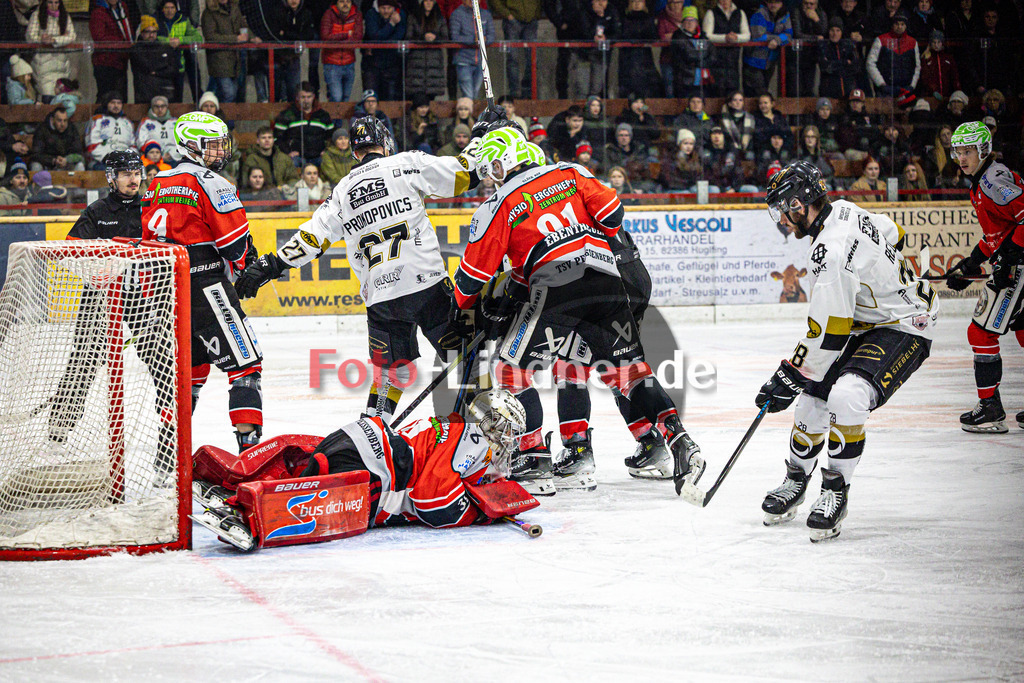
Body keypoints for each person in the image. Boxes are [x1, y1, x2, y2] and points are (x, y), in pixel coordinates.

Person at [449, 125, 705, 495]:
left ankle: (534, 460)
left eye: (492, 170)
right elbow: (613, 215)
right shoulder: (571, 171)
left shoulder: (499, 203)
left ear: (503, 165)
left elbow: (472, 278)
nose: (491, 179)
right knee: (628, 374)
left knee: (509, 372)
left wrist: (464, 312)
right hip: (609, 280)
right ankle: (679, 442)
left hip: (555, 291)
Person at [234, 113, 487, 423]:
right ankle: (491, 428)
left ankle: (372, 433)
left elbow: (312, 239)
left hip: (382, 298)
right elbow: (466, 174)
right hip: (427, 287)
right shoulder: (406, 163)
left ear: (355, 151)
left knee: (389, 376)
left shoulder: (342, 190)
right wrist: (483, 136)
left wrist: (270, 265)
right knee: (466, 356)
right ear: (385, 142)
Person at [757, 160, 937, 541]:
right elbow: (896, 233)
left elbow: (830, 330)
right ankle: (796, 480)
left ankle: (835, 492)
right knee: (811, 403)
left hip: (905, 323)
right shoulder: (843, 208)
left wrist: (789, 374)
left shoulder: (829, 252)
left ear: (800, 203)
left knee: (846, 396)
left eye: (784, 209)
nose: (782, 220)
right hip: (870, 320)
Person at [190, 389, 531, 550]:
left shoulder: (450, 424)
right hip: (372, 467)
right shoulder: (475, 439)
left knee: (303, 465)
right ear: (494, 426)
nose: (509, 442)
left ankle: (226, 477)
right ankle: (242, 513)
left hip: (361, 440)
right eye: (509, 432)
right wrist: (480, 512)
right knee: (307, 508)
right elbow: (435, 503)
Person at [49, 150, 179, 482]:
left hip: (142, 297)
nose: (133, 179)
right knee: (83, 360)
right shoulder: (97, 211)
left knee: (163, 363)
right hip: (100, 298)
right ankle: (59, 429)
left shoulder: (151, 208)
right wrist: (97, 269)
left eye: (136, 172)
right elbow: (69, 251)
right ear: (111, 178)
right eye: (125, 173)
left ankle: (167, 444)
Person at [141, 112, 264, 453]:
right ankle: (250, 454)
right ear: (191, 146)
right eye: (211, 145)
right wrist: (245, 268)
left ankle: (167, 460)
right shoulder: (213, 182)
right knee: (245, 365)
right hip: (206, 284)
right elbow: (235, 246)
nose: (219, 151)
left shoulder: (157, 182)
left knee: (190, 372)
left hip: (166, 288)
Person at [944, 122, 1024, 433]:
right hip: (1017, 264)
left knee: (980, 334)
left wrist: (1008, 258)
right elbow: (998, 234)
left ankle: (990, 408)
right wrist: (971, 263)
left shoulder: (992, 180)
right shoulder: (983, 181)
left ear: (983, 150)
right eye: (958, 152)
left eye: (968, 151)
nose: (962, 158)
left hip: (1019, 269)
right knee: (1022, 331)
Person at [202, 0, 256, 104]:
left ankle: (225, 118)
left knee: (233, 94)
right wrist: (235, 39)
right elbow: (210, 36)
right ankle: (222, 118)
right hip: (219, 59)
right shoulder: (209, 13)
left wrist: (252, 37)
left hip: (236, 58)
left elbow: (243, 26)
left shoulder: (235, 8)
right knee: (229, 93)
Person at [25, 0, 76, 102]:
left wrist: (53, 40)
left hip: (62, 63)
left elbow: (72, 36)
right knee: (47, 95)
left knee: (62, 98)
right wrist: (42, 40)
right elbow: (30, 36)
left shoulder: (65, 16)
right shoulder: (36, 15)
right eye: (50, 2)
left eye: (56, 2)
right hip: (43, 63)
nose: (53, 5)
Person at [273, 82, 333, 166]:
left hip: (319, 156)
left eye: (309, 97)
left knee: (330, 163)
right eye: (303, 97)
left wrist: (326, 151)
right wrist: (288, 152)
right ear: (297, 97)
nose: (306, 100)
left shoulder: (323, 115)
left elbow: (331, 137)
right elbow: (277, 138)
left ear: (314, 97)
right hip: (297, 157)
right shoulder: (287, 115)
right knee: (289, 163)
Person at [490, 0, 541, 99]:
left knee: (533, 58)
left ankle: (528, 91)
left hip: (531, 21)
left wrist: (536, 14)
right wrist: (508, 15)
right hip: (511, 21)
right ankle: (514, 92)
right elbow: (495, 2)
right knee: (513, 58)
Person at [155, 0, 203, 104]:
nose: (169, 11)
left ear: (176, 9)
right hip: (160, 67)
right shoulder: (156, 20)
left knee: (177, 99)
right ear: (162, 9)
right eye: (167, 8)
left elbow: (198, 38)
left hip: (178, 66)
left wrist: (180, 40)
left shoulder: (184, 20)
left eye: (172, 8)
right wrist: (168, 41)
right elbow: (151, 38)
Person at [866, 11, 920, 98]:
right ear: (892, 25)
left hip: (906, 89)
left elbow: (917, 66)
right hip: (885, 90)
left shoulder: (913, 42)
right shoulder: (880, 40)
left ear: (906, 26)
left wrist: (912, 86)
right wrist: (881, 84)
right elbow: (870, 63)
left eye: (902, 24)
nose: (899, 27)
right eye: (897, 24)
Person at [743, 0, 791, 97]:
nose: (773, 5)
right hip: (753, 61)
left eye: (776, 2)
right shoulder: (759, 14)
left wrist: (777, 40)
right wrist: (777, 38)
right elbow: (758, 36)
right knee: (759, 93)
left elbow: (789, 35)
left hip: (770, 62)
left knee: (763, 92)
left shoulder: (785, 15)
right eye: (770, 2)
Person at [362, 0, 406, 101]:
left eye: (389, 8)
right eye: (383, 8)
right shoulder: (371, 14)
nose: (386, 11)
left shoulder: (400, 14)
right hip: (372, 64)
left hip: (392, 64)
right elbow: (374, 36)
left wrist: (381, 41)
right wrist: (391, 24)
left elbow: (399, 36)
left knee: (390, 99)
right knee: (371, 99)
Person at [89, 0, 135, 99]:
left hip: (121, 59)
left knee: (121, 96)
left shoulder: (122, 9)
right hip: (105, 61)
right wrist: (120, 42)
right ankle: (101, 115)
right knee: (106, 96)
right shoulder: (98, 12)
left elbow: (127, 29)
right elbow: (99, 37)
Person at [320, 0, 363, 103]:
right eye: (342, 1)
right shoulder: (329, 14)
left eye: (348, 1)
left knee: (345, 99)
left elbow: (357, 37)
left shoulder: (356, 14)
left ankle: (336, 120)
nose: (345, 4)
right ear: (336, 3)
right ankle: (333, 119)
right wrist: (346, 34)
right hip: (332, 63)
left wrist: (337, 38)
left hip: (349, 62)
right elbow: (325, 37)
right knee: (336, 98)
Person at [404, 0, 447, 102]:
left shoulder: (440, 18)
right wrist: (423, 38)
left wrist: (435, 38)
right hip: (416, 62)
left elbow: (446, 37)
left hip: (434, 62)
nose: (428, 3)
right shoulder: (413, 17)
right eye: (426, 0)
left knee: (431, 97)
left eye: (431, 1)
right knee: (417, 96)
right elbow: (408, 37)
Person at [703, 0, 748, 97]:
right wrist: (725, 38)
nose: (724, 1)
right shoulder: (711, 13)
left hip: (734, 60)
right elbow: (706, 35)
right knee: (716, 91)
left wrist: (736, 38)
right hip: (715, 59)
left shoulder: (740, 13)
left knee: (733, 91)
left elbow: (747, 35)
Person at [449, 0, 493, 98]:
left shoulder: (486, 14)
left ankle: (472, 113)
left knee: (476, 92)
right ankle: (469, 113)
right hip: (463, 60)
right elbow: (455, 37)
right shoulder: (457, 14)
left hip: (481, 61)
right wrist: (474, 40)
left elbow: (492, 36)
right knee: (468, 94)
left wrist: (485, 39)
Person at [130, 16, 178, 105]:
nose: (151, 35)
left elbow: (173, 70)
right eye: (148, 32)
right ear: (142, 33)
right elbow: (148, 66)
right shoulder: (136, 49)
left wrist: (156, 72)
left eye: (154, 32)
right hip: (144, 95)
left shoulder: (165, 48)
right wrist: (162, 65)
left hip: (165, 93)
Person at [619, 0, 661, 98]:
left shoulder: (648, 19)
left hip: (644, 57)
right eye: (634, 1)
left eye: (639, 1)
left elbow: (654, 37)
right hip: (627, 57)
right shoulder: (624, 19)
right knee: (628, 84)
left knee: (644, 85)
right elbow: (622, 35)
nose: (637, 4)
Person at [577, 0, 620, 97]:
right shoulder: (584, 10)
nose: (600, 3)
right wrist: (598, 17)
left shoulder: (611, 10)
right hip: (583, 54)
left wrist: (607, 38)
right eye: (598, 0)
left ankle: (593, 109)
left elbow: (617, 32)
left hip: (601, 55)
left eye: (603, 1)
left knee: (596, 87)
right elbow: (583, 31)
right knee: (582, 88)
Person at [669, 6, 713, 99]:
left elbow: (712, 54)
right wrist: (700, 59)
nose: (690, 23)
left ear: (697, 22)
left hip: (702, 81)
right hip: (685, 81)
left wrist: (705, 62)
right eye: (687, 20)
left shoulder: (702, 36)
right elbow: (687, 55)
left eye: (692, 20)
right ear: (682, 23)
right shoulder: (678, 36)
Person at [85, 92, 136, 170]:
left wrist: (128, 158)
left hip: (124, 161)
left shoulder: (127, 123)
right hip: (102, 161)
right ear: (107, 104)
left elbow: (133, 145)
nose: (116, 106)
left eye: (119, 103)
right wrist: (106, 158)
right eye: (112, 103)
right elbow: (91, 144)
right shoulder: (97, 120)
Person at [788, 0, 827, 97]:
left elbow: (823, 33)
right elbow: (797, 34)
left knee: (809, 89)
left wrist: (816, 20)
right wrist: (815, 38)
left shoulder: (820, 13)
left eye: (812, 4)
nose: (808, 6)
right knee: (795, 90)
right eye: (806, 3)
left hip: (811, 57)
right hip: (796, 56)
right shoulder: (796, 12)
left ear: (816, 5)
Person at [29, 105, 84, 171]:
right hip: (47, 165)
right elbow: (36, 155)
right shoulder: (42, 130)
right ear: (52, 120)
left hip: (66, 164)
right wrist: (53, 160)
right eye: (59, 120)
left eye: (65, 120)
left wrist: (67, 160)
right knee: (36, 166)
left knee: (80, 166)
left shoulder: (72, 129)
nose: (62, 124)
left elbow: (79, 153)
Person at [818, 17, 860, 99]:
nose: (835, 34)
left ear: (841, 32)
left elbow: (856, 67)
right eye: (832, 30)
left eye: (838, 30)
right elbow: (826, 67)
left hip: (848, 91)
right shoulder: (823, 46)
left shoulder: (849, 46)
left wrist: (835, 64)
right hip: (828, 92)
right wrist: (844, 62)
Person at [136, 96, 179, 166]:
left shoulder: (175, 122)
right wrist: (154, 153)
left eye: (163, 106)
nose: (160, 109)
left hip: (173, 158)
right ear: (152, 107)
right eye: (156, 106)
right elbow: (140, 142)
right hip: (153, 160)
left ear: (167, 107)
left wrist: (172, 154)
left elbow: (182, 142)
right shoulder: (146, 122)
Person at [837, 88, 875, 160]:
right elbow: (844, 137)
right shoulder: (845, 117)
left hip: (867, 148)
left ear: (862, 103)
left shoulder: (868, 117)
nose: (855, 104)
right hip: (852, 149)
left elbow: (873, 133)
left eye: (857, 101)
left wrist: (858, 130)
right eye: (852, 101)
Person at [720, 91, 754, 159]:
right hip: (730, 149)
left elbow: (752, 137)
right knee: (730, 156)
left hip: (747, 149)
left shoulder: (750, 118)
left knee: (750, 156)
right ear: (730, 103)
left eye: (740, 100)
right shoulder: (724, 119)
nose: (738, 102)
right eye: (735, 100)